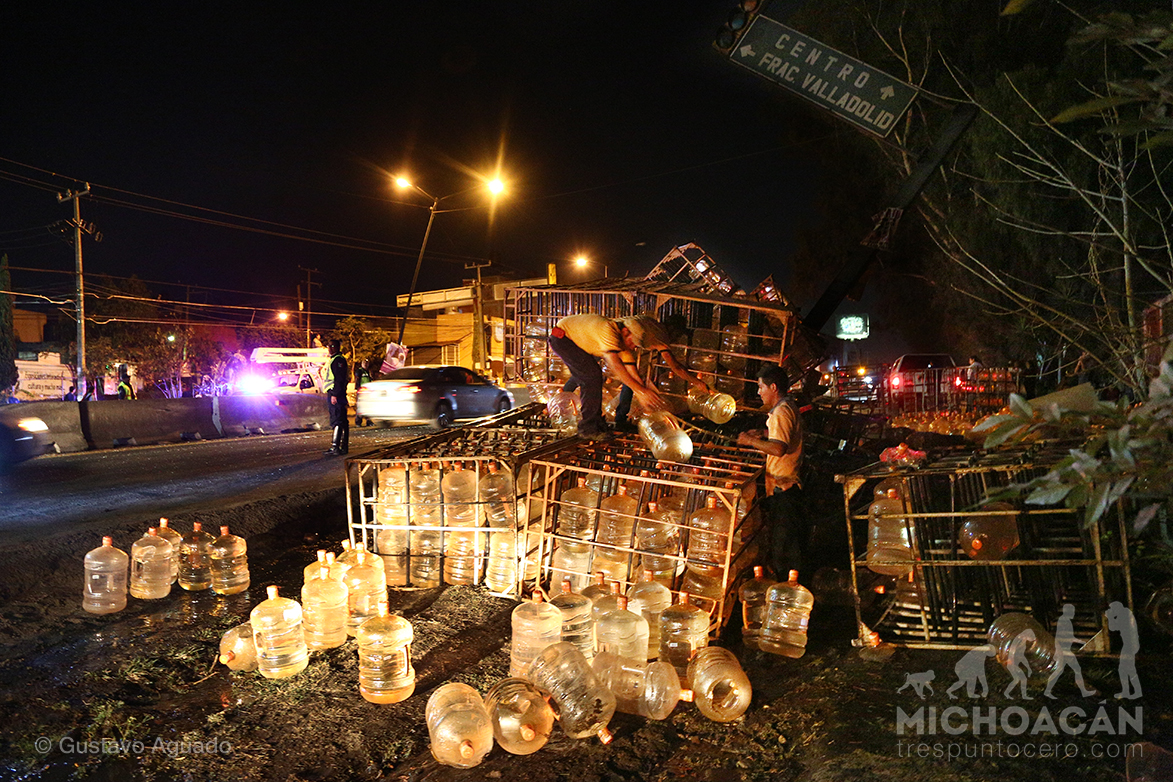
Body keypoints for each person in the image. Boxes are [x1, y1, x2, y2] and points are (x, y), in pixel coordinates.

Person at [547, 313, 668, 439]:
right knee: (591, 377)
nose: (633, 347)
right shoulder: (608, 330)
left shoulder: (620, 342)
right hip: (563, 339)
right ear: (625, 332)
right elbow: (616, 366)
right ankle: (588, 428)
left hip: (574, 342)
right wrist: (640, 391)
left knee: (591, 376)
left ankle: (596, 424)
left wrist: (643, 393)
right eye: (633, 342)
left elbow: (632, 372)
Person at [737, 364, 805, 576]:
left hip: (784, 487)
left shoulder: (781, 412)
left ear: (773, 387)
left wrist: (750, 441)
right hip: (785, 485)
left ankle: (786, 584)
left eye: (761, 387)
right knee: (787, 542)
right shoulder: (786, 406)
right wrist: (762, 433)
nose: (759, 392)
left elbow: (778, 448)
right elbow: (782, 434)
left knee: (783, 546)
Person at [324, 339, 350, 456]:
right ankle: (343, 447)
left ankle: (336, 447)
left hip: (335, 393)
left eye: (332, 346)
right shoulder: (337, 360)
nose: (329, 348)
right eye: (329, 346)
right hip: (339, 393)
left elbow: (339, 379)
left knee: (337, 419)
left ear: (337, 347)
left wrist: (334, 394)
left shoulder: (337, 360)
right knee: (342, 420)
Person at [354, 362, 371, 427]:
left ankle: (368, 421)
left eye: (367, 363)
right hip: (362, 391)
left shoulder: (368, 371)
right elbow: (357, 379)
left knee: (368, 406)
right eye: (364, 363)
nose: (366, 365)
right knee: (360, 406)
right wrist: (358, 388)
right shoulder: (360, 371)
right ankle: (358, 422)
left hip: (367, 391)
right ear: (362, 364)